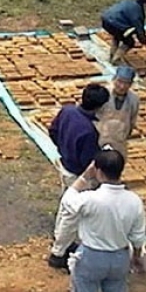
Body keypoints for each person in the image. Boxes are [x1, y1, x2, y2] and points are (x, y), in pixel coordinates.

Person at [57, 148, 146, 292]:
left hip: (90, 258)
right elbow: (137, 236)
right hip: (119, 259)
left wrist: (85, 176)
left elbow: (68, 200)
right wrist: (136, 256)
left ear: (98, 170)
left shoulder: (91, 199)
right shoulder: (134, 201)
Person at [47, 83, 110, 269]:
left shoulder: (67, 111)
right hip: (77, 174)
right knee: (72, 213)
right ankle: (58, 253)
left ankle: (60, 238)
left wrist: (62, 148)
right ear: (100, 107)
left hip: (64, 164)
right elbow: (87, 161)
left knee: (65, 203)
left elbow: (53, 131)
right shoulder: (89, 131)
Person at [101, 0, 146, 64]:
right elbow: (139, 30)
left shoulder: (129, 1)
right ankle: (116, 59)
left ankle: (112, 54)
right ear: (145, 4)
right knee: (129, 42)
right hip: (114, 23)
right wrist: (145, 41)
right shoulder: (138, 12)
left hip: (105, 20)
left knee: (118, 36)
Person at [97, 66, 140, 155]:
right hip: (99, 138)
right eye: (119, 81)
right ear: (114, 79)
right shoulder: (103, 94)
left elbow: (132, 121)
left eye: (126, 83)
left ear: (131, 84)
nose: (122, 86)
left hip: (119, 142)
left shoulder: (134, 100)